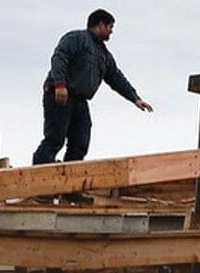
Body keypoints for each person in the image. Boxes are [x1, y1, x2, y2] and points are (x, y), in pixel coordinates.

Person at [37, 9, 153, 204]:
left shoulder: (103, 54)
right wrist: (60, 84)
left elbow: (115, 77)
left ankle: (70, 188)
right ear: (100, 25)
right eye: (110, 27)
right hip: (61, 95)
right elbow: (59, 57)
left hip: (80, 101)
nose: (111, 32)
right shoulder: (77, 39)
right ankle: (40, 186)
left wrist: (134, 98)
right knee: (54, 139)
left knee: (79, 142)